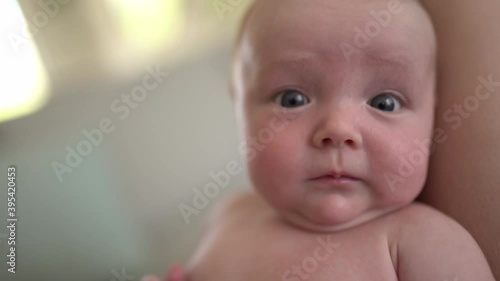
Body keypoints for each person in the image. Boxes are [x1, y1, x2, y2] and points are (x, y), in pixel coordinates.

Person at [143, 0, 498, 280]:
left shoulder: (424, 245)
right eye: (292, 99)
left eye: (384, 103)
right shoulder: (226, 220)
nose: (339, 130)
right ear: (239, 103)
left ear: (433, 111)